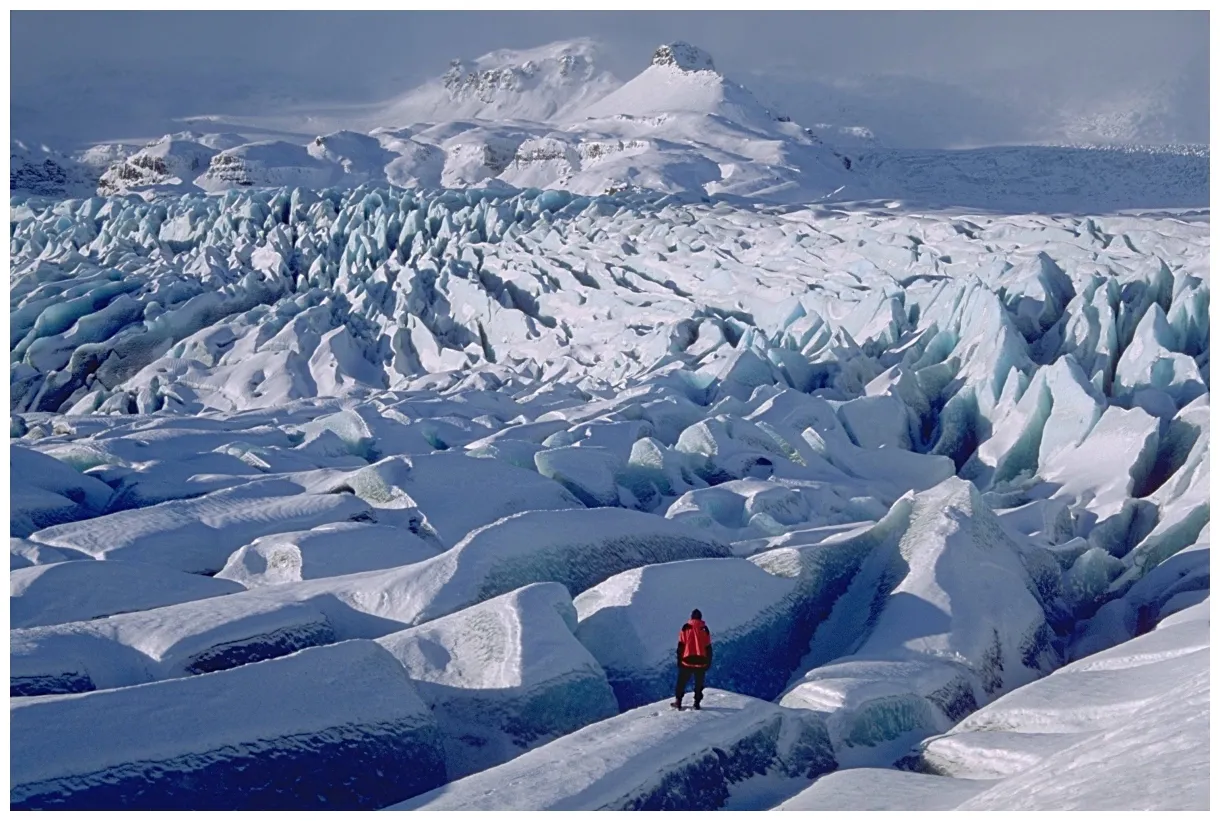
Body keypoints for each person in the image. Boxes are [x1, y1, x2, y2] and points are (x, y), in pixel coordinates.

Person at [672, 608, 712, 710]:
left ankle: (678, 701)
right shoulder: (704, 629)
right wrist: (708, 662)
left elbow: (681, 646)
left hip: (687, 661)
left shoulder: (685, 628)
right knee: (699, 683)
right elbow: (708, 648)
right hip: (701, 662)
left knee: (681, 682)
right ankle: (697, 703)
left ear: (691, 617)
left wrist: (679, 661)